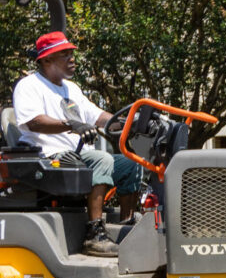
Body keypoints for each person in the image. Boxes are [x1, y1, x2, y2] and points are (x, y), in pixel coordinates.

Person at [13, 31, 141, 257]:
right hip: (50, 157)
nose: (72, 59)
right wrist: (72, 125)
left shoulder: (72, 89)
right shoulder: (29, 85)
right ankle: (94, 235)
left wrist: (129, 123)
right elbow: (34, 122)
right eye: (65, 54)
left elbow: (99, 117)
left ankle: (126, 228)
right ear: (46, 59)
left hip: (77, 156)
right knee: (100, 159)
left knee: (130, 164)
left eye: (72, 54)